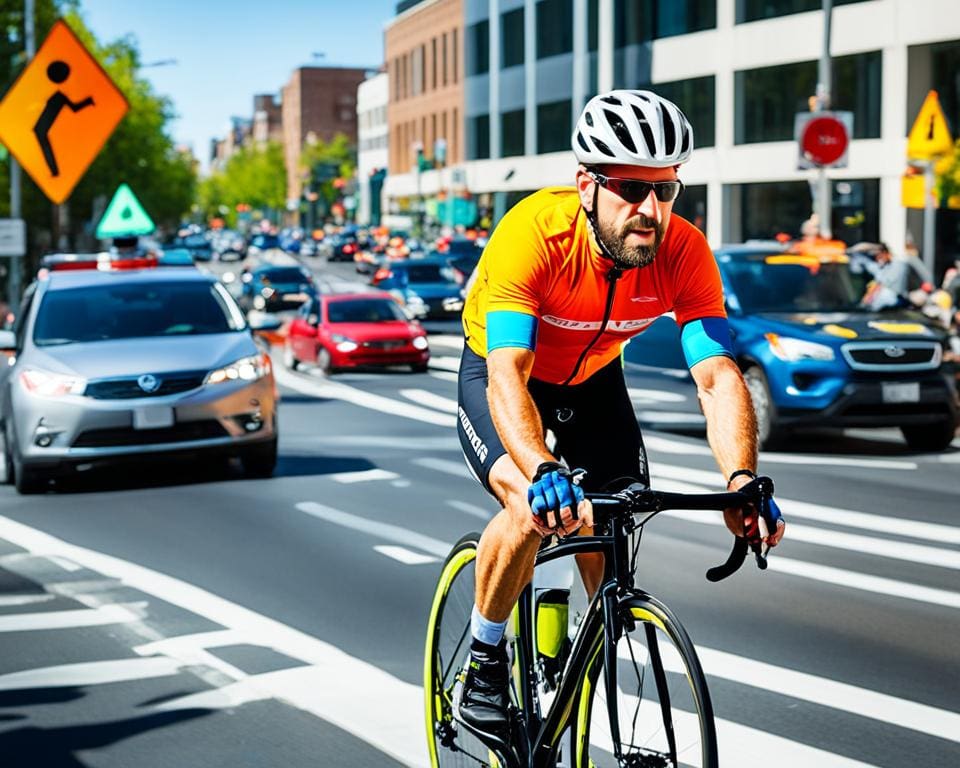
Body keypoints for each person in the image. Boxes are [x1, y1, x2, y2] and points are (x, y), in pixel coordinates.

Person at [453, 89, 786, 748]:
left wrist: (741, 480)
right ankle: (485, 665)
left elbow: (718, 375)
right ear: (586, 185)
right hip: (502, 372)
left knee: (611, 519)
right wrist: (542, 465)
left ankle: (574, 660)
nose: (650, 209)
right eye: (633, 187)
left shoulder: (683, 252)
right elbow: (508, 373)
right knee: (531, 504)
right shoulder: (534, 236)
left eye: (667, 191)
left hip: (595, 379)